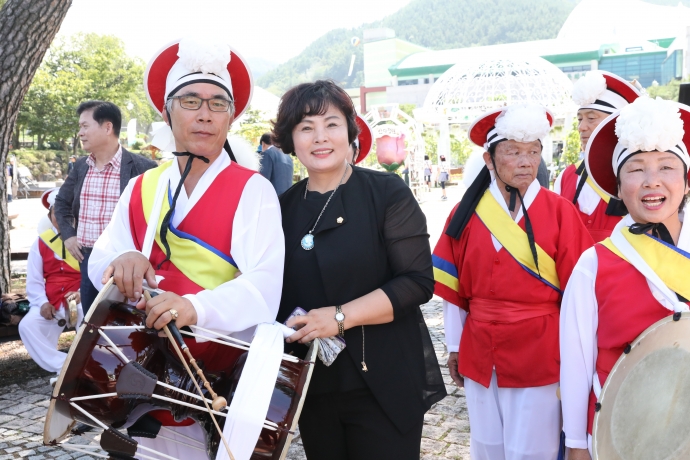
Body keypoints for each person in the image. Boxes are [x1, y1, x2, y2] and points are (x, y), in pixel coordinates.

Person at [88, 37, 284, 458]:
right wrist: (120, 260)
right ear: (166, 111)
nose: (205, 115)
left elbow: (265, 286)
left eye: (218, 104)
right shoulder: (142, 186)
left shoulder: (254, 190)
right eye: (191, 101)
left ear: (231, 117)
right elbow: (102, 256)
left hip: (212, 381)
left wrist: (197, 308)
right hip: (140, 372)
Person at [273, 80, 446, 460]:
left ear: (351, 131)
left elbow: (417, 282)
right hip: (314, 383)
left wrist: (339, 317)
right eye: (306, 127)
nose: (321, 137)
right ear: (291, 140)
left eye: (331, 124)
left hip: (384, 377)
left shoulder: (386, 193)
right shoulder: (280, 208)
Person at [432, 104, 594, 460]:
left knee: (532, 450)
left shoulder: (559, 211)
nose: (526, 161)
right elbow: (452, 291)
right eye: (513, 152)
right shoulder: (464, 214)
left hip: (540, 348)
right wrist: (455, 346)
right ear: (489, 159)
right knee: (486, 447)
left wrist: (578, 355)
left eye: (533, 151)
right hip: (479, 347)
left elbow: (581, 295)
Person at [560, 97, 690, 459]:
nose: (652, 182)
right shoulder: (593, 265)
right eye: (636, 170)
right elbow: (576, 364)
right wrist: (575, 444)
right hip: (622, 436)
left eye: (666, 167)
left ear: (686, 181)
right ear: (618, 188)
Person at [54, 101, 157, 314]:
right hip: (87, 257)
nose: (80, 132)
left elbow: (156, 211)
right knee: (91, 322)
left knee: (130, 321)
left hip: (125, 259)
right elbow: (61, 203)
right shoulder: (81, 166)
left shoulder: (143, 168)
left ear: (107, 127)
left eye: (85, 126)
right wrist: (68, 235)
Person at [553, 70, 641, 241]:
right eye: (579, 119)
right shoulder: (566, 177)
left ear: (616, 123)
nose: (581, 127)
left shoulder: (641, 177)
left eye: (591, 118)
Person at [18, 188, 82, 380]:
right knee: (27, 325)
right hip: (52, 300)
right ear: (50, 215)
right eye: (57, 212)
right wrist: (42, 302)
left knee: (90, 322)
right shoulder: (40, 243)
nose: (62, 216)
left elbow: (95, 273)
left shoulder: (87, 238)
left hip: (80, 298)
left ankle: (91, 365)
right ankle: (64, 365)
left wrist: (81, 293)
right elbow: (34, 279)